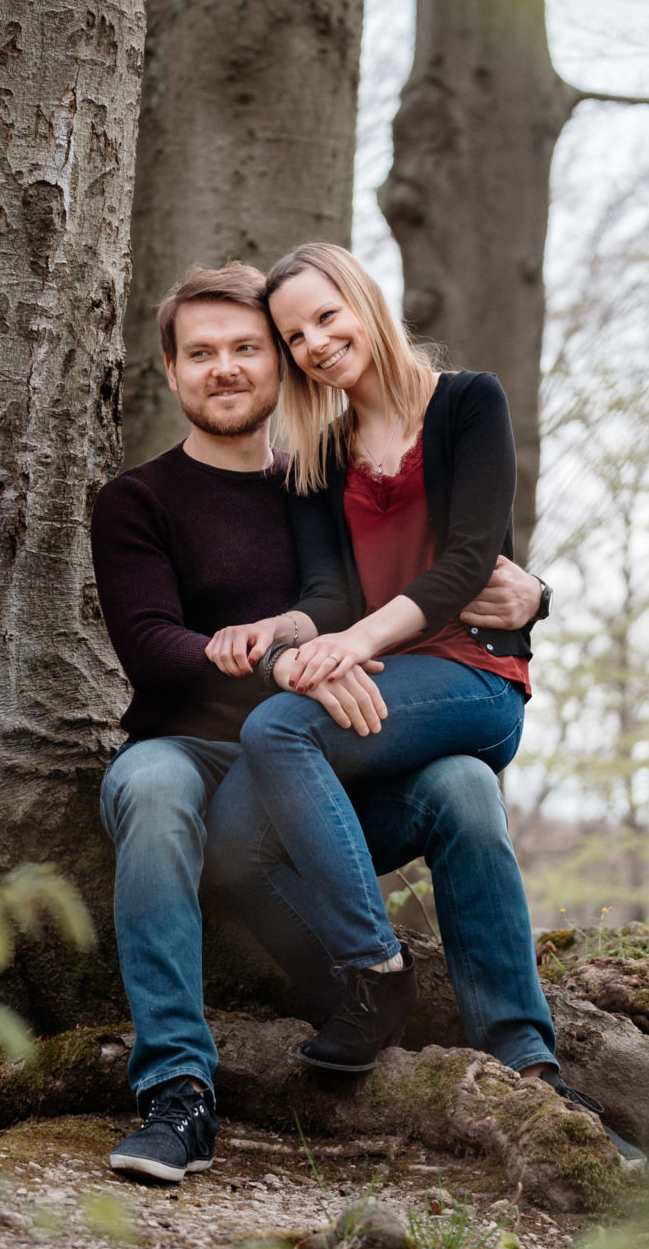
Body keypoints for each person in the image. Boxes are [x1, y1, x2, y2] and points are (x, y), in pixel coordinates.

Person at [88, 264, 608, 1187]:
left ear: (280, 365)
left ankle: (524, 1066)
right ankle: (178, 1089)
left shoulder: (319, 473)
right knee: (159, 789)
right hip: (194, 746)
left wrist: (530, 600)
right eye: (201, 353)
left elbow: (400, 578)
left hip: (320, 753)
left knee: (462, 784)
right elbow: (152, 643)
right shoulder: (137, 499)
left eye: (250, 346)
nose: (228, 368)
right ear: (170, 371)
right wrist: (291, 660)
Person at [219, 245, 621, 1151]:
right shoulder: (317, 456)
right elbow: (327, 591)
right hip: (384, 694)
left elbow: (471, 561)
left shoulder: (469, 403)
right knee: (248, 831)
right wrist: (300, 632)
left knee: (279, 726)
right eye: (295, 336)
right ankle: (502, 1051)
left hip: (474, 675)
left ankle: (386, 977)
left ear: (364, 300)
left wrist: (350, 646)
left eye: (327, 317)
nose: (316, 344)